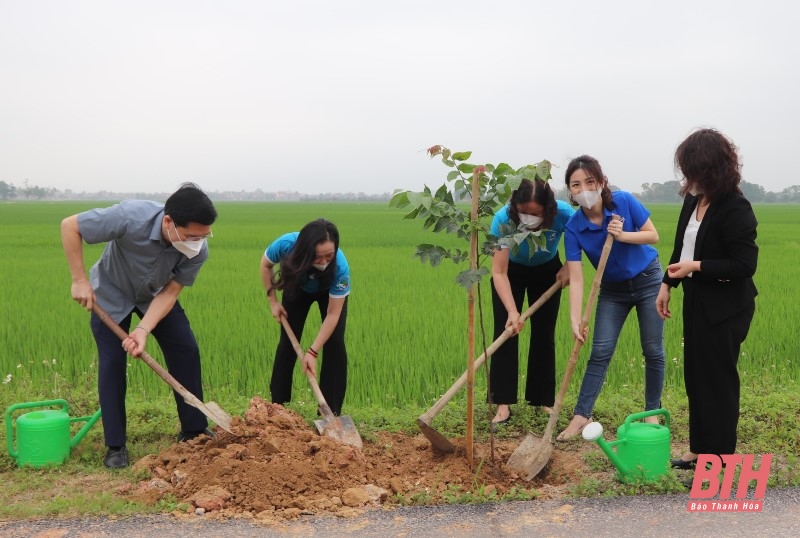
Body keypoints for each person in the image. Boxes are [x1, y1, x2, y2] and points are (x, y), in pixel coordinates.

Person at [61, 183, 218, 469]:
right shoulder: (130, 216)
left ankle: (193, 430)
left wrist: (143, 329)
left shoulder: (198, 250)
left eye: (203, 236)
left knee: (186, 349)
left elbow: (171, 292)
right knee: (112, 364)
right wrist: (79, 280)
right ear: (169, 222)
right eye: (192, 235)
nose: (197, 242)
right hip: (110, 294)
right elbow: (70, 226)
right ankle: (115, 445)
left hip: (155, 297)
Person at [656, 128, 758, 469]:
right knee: (696, 376)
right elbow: (680, 247)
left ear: (712, 168)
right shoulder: (694, 200)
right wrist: (666, 284)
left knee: (718, 380)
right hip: (698, 299)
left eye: (693, 169)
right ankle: (699, 448)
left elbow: (745, 265)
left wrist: (696, 266)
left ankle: (719, 458)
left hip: (727, 306)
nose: (688, 177)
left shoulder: (735, 207)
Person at [557, 155, 666, 441]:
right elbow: (577, 277)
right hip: (613, 291)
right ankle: (581, 415)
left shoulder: (624, 202)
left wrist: (622, 235)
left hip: (647, 280)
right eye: (576, 185)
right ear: (570, 191)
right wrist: (575, 318)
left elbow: (653, 235)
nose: (584, 190)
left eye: (589, 182)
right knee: (600, 351)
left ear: (601, 182)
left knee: (652, 349)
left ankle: (652, 410)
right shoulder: (574, 228)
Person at [488, 179, 574, 429]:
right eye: (523, 213)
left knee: (544, 334)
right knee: (506, 332)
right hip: (511, 271)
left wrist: (569, 266)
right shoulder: (502, 219)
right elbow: (499, 272)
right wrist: (513, 311)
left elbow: (581, 241)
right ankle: (502, 405)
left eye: (535, 214)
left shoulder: (564, 214)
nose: (528, 218)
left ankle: (542, 400)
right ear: (515, 207)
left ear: (548, 209)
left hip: (548, 269)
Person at [261, 219, 351, 415]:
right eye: (318, 257)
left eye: (330, 255)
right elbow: (266, 264)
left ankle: (330, 413)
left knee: (335, 342)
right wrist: (273, 302)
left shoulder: (340, 269)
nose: (324, 262)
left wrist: (312, 352)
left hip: (328, 293)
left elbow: (333, 314)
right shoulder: (286, 245)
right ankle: (278, 408)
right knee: (288, 341)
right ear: (305, 252)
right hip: (297, 288)